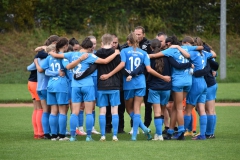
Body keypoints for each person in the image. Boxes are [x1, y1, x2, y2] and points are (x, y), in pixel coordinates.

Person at [100, 32, 171, 141]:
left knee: (129, 109)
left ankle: (141, 128)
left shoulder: (124, 51)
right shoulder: (143, 53)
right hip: (141, 83)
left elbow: (122, 65)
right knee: (137, 109)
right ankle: (136, 135)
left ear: (128, 41)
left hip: (129, 84)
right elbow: (148, 69)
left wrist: (109, 74)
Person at [49, 37, 119, 141]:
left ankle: (72, 136)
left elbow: (55, 55)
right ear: (91, 48)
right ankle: (88, 136)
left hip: (75, 86)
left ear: (81, 45)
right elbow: (105, 61)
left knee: (75, 112)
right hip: (88, 85)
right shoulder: (90, 56)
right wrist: (115, 53)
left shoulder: (71, 54)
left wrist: (49, 51)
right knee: (89, 112)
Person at [149, 35, 203, 140]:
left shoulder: (170, 51)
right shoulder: (186, 48)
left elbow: (154, 56)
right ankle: (170, 131)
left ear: (169, 43)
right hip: (188, 81)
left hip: (178, 82)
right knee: (174, 107)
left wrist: (145, 56)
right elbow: (201, 47)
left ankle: (181, 131)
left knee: (178, 108)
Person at [76, 34, 121, 141]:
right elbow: (121, 66)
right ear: (111, 43)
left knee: (102, 111)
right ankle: (114, 135)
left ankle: (103, 135)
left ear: (101, 43)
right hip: (114, 85)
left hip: (101, 85)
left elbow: (92, 68)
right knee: (115, 111)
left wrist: (80, 76)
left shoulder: (97, 53)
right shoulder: (116, 53)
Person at [182, 36, 216, 140]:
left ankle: (182, 132)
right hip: (203, 82)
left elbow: (185, 57)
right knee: (202, 109)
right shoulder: (205, 53)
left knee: (188, 109)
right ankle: (203, 134)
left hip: (195, 82)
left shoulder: (191, 53)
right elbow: (214, 54)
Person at [39, 37, 70, 141]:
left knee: (53, 111)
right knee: (62, 111)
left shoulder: (49, 57)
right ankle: (62, 135)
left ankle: (53, 135)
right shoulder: (63, 57)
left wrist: (54, 73)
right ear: (65, 46)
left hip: (51, 85)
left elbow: (44, 70)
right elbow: (68, 68)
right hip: (61, 85)